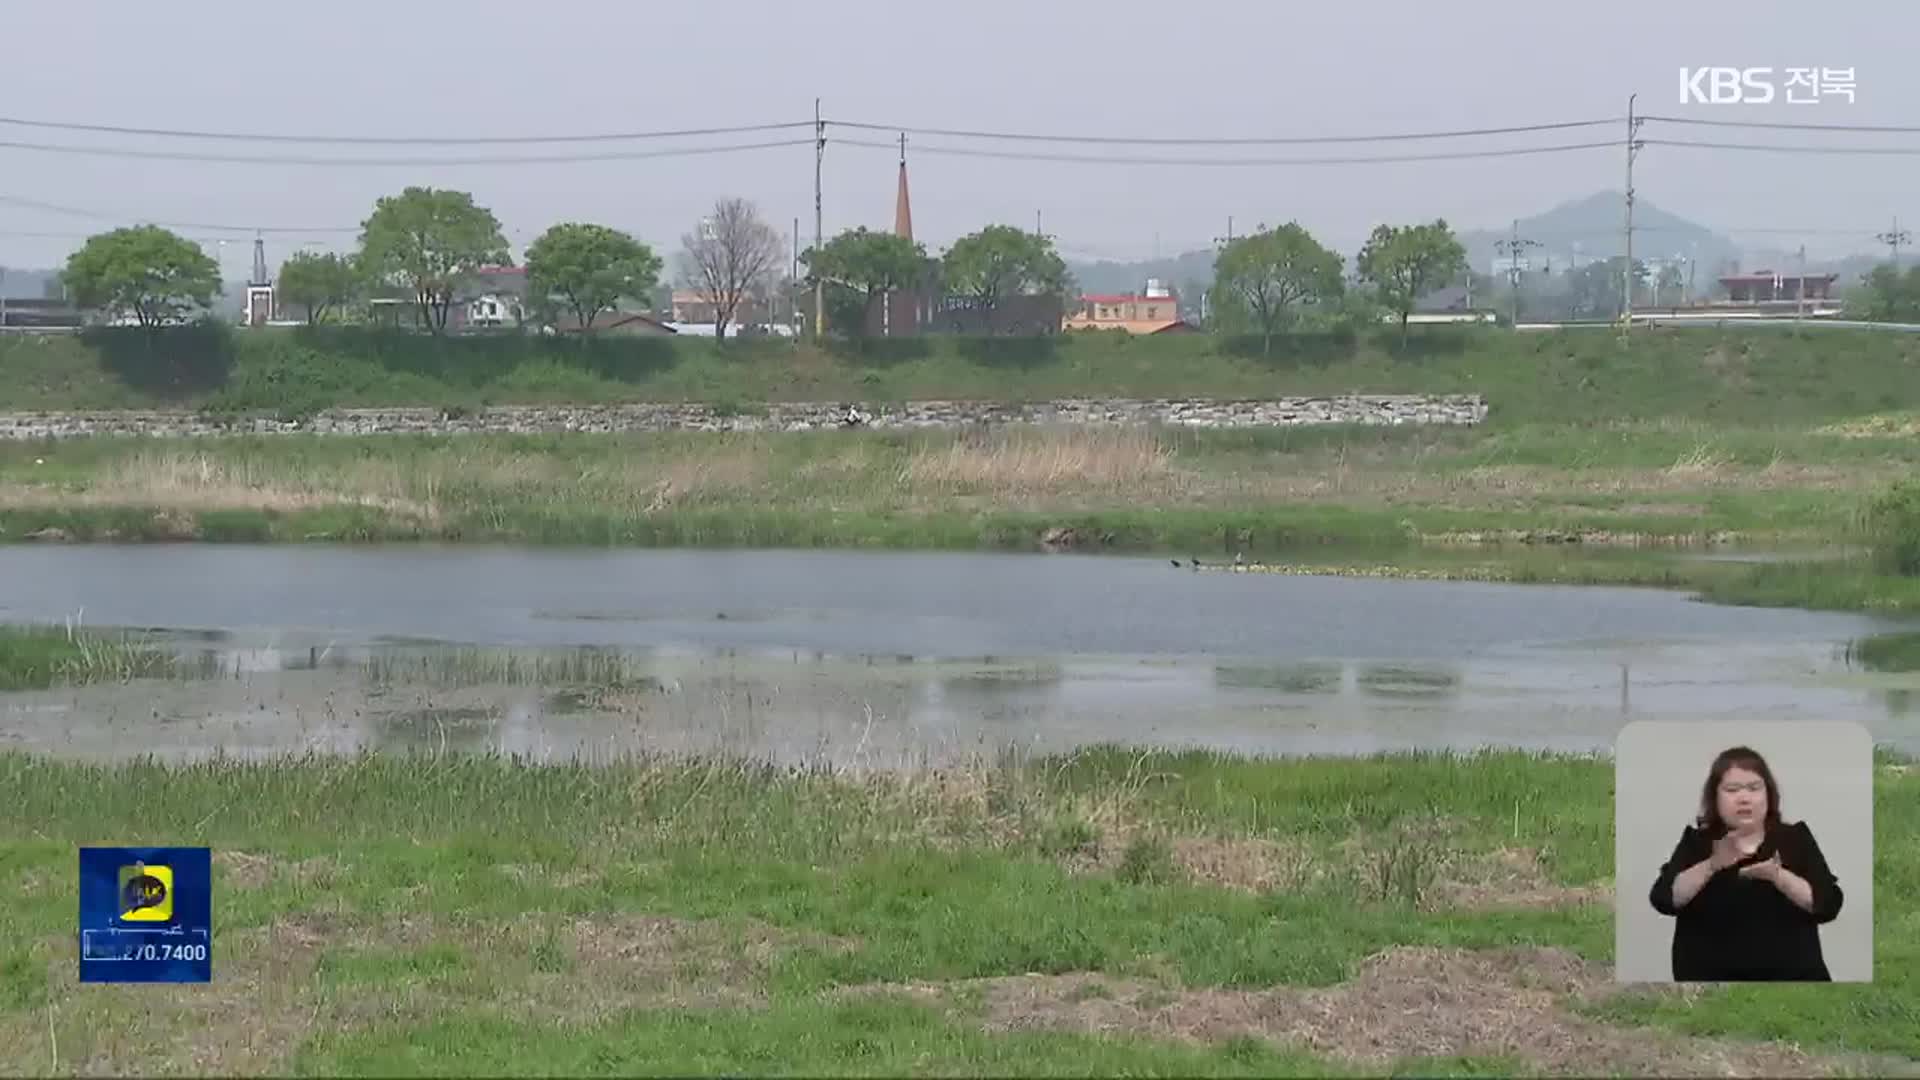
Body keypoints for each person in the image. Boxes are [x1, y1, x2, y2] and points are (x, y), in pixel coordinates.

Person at [1648, 745, 1843, 981]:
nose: (1744, 798)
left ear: (1768, 795)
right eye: (1732, 789)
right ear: (1715, 797)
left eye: (1754, 788)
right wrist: (1712, 864)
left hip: (1793, 981)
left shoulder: (1794, 838)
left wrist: (1777, 876)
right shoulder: (1697, 842)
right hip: (1711, 984)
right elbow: (1665, 899)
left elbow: (1828, 904)